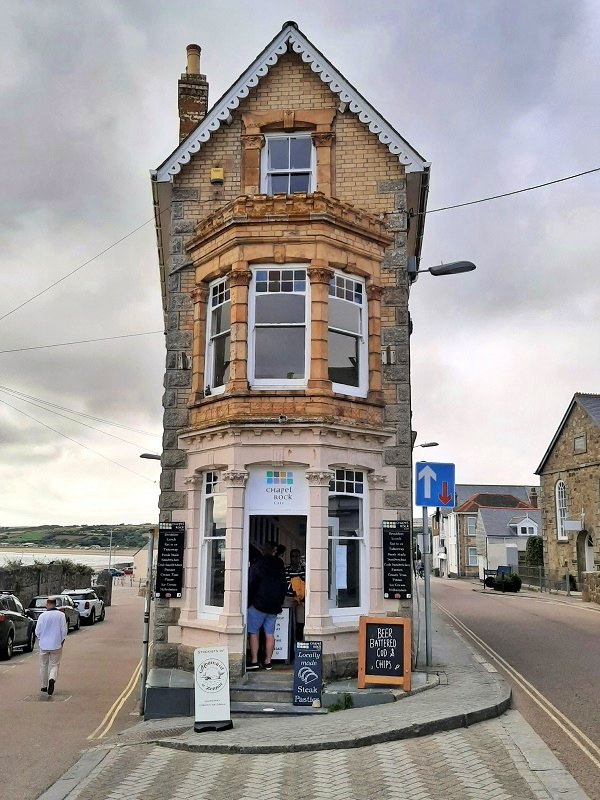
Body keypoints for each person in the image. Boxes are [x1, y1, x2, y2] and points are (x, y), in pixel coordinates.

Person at [247, 541, 287, 671]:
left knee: (253, 633)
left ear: (264, 550)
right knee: (270, 634)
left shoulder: (258, 564)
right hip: (274, 605)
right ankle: (268, 662)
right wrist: (279, 601)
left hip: (258, 603)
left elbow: (252, 584)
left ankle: (254, 661)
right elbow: (283, 585)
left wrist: (249, 601)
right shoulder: (280, 564)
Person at [35, 596, 68, 696]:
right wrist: (62, 640)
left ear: (48, 604)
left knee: (43, 665)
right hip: (56, 644)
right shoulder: (61, 615)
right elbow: (64, 631)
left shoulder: (42, 616)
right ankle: (52, 679)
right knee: (55, 664)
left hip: (44, 645)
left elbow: (37, 631)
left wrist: (41, 639)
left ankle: (44, 686)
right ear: (55, 604)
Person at [285, 549, 306, 641]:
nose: (295, 558)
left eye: (297, 556)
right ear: (290, 557)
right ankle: (288, 642)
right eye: (293, 556)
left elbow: (305, 583)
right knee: (288, 620)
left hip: (301, 599)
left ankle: (299, 642)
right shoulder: (287, 569)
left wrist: (298, 586)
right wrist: (297, 588)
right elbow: (287, 584)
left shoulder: (304, 569)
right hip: (290, 598)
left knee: (300, 622)